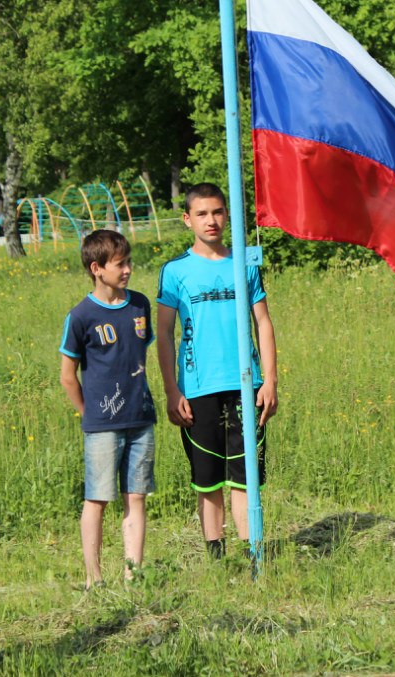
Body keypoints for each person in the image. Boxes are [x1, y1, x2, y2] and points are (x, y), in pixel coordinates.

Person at [156, 183, 278, 558]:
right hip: (198, 388)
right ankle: (217, 558)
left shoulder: (244, 262)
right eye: (202, 213)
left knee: (245, 479)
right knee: (208, 482)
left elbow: (264, 323)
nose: (212, 221)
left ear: (228, 214)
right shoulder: (175, 271)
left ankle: (253, 555)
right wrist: (172, 390)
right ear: (187, 219)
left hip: (246, 385)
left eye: (218, 212)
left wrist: (270, 380)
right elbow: (163, 332)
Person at [59, 229, 157, 587]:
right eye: (120, 264)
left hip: (141, 417)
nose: (128, 269)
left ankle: (135, 574)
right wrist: (89, 413)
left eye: (129, 261)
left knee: (137, 496)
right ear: (97, 268)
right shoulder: (81, 315)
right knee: (97, 498)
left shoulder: (140, 305)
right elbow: (68, 376)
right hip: (102, 425)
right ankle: (94, 578)